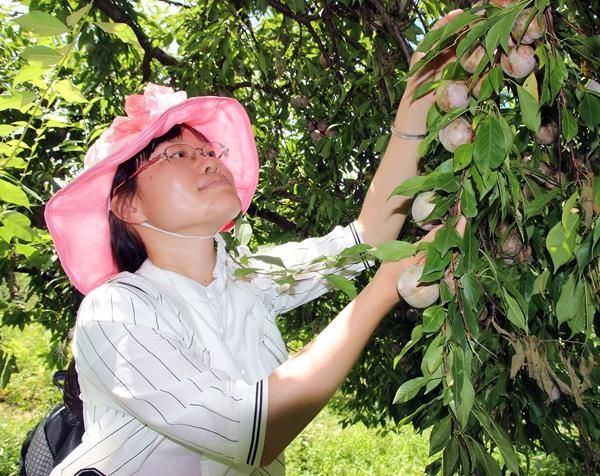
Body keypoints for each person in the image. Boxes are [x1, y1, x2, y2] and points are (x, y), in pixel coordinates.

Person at [44, 11, 463, 476]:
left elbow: (366, 239)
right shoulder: (116, 310)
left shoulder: (248, 279)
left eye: (208, 152)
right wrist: (381, 291)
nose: (207, 161)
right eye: (178, 154)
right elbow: (246, 430)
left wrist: (417, 98)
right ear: (128, 207)